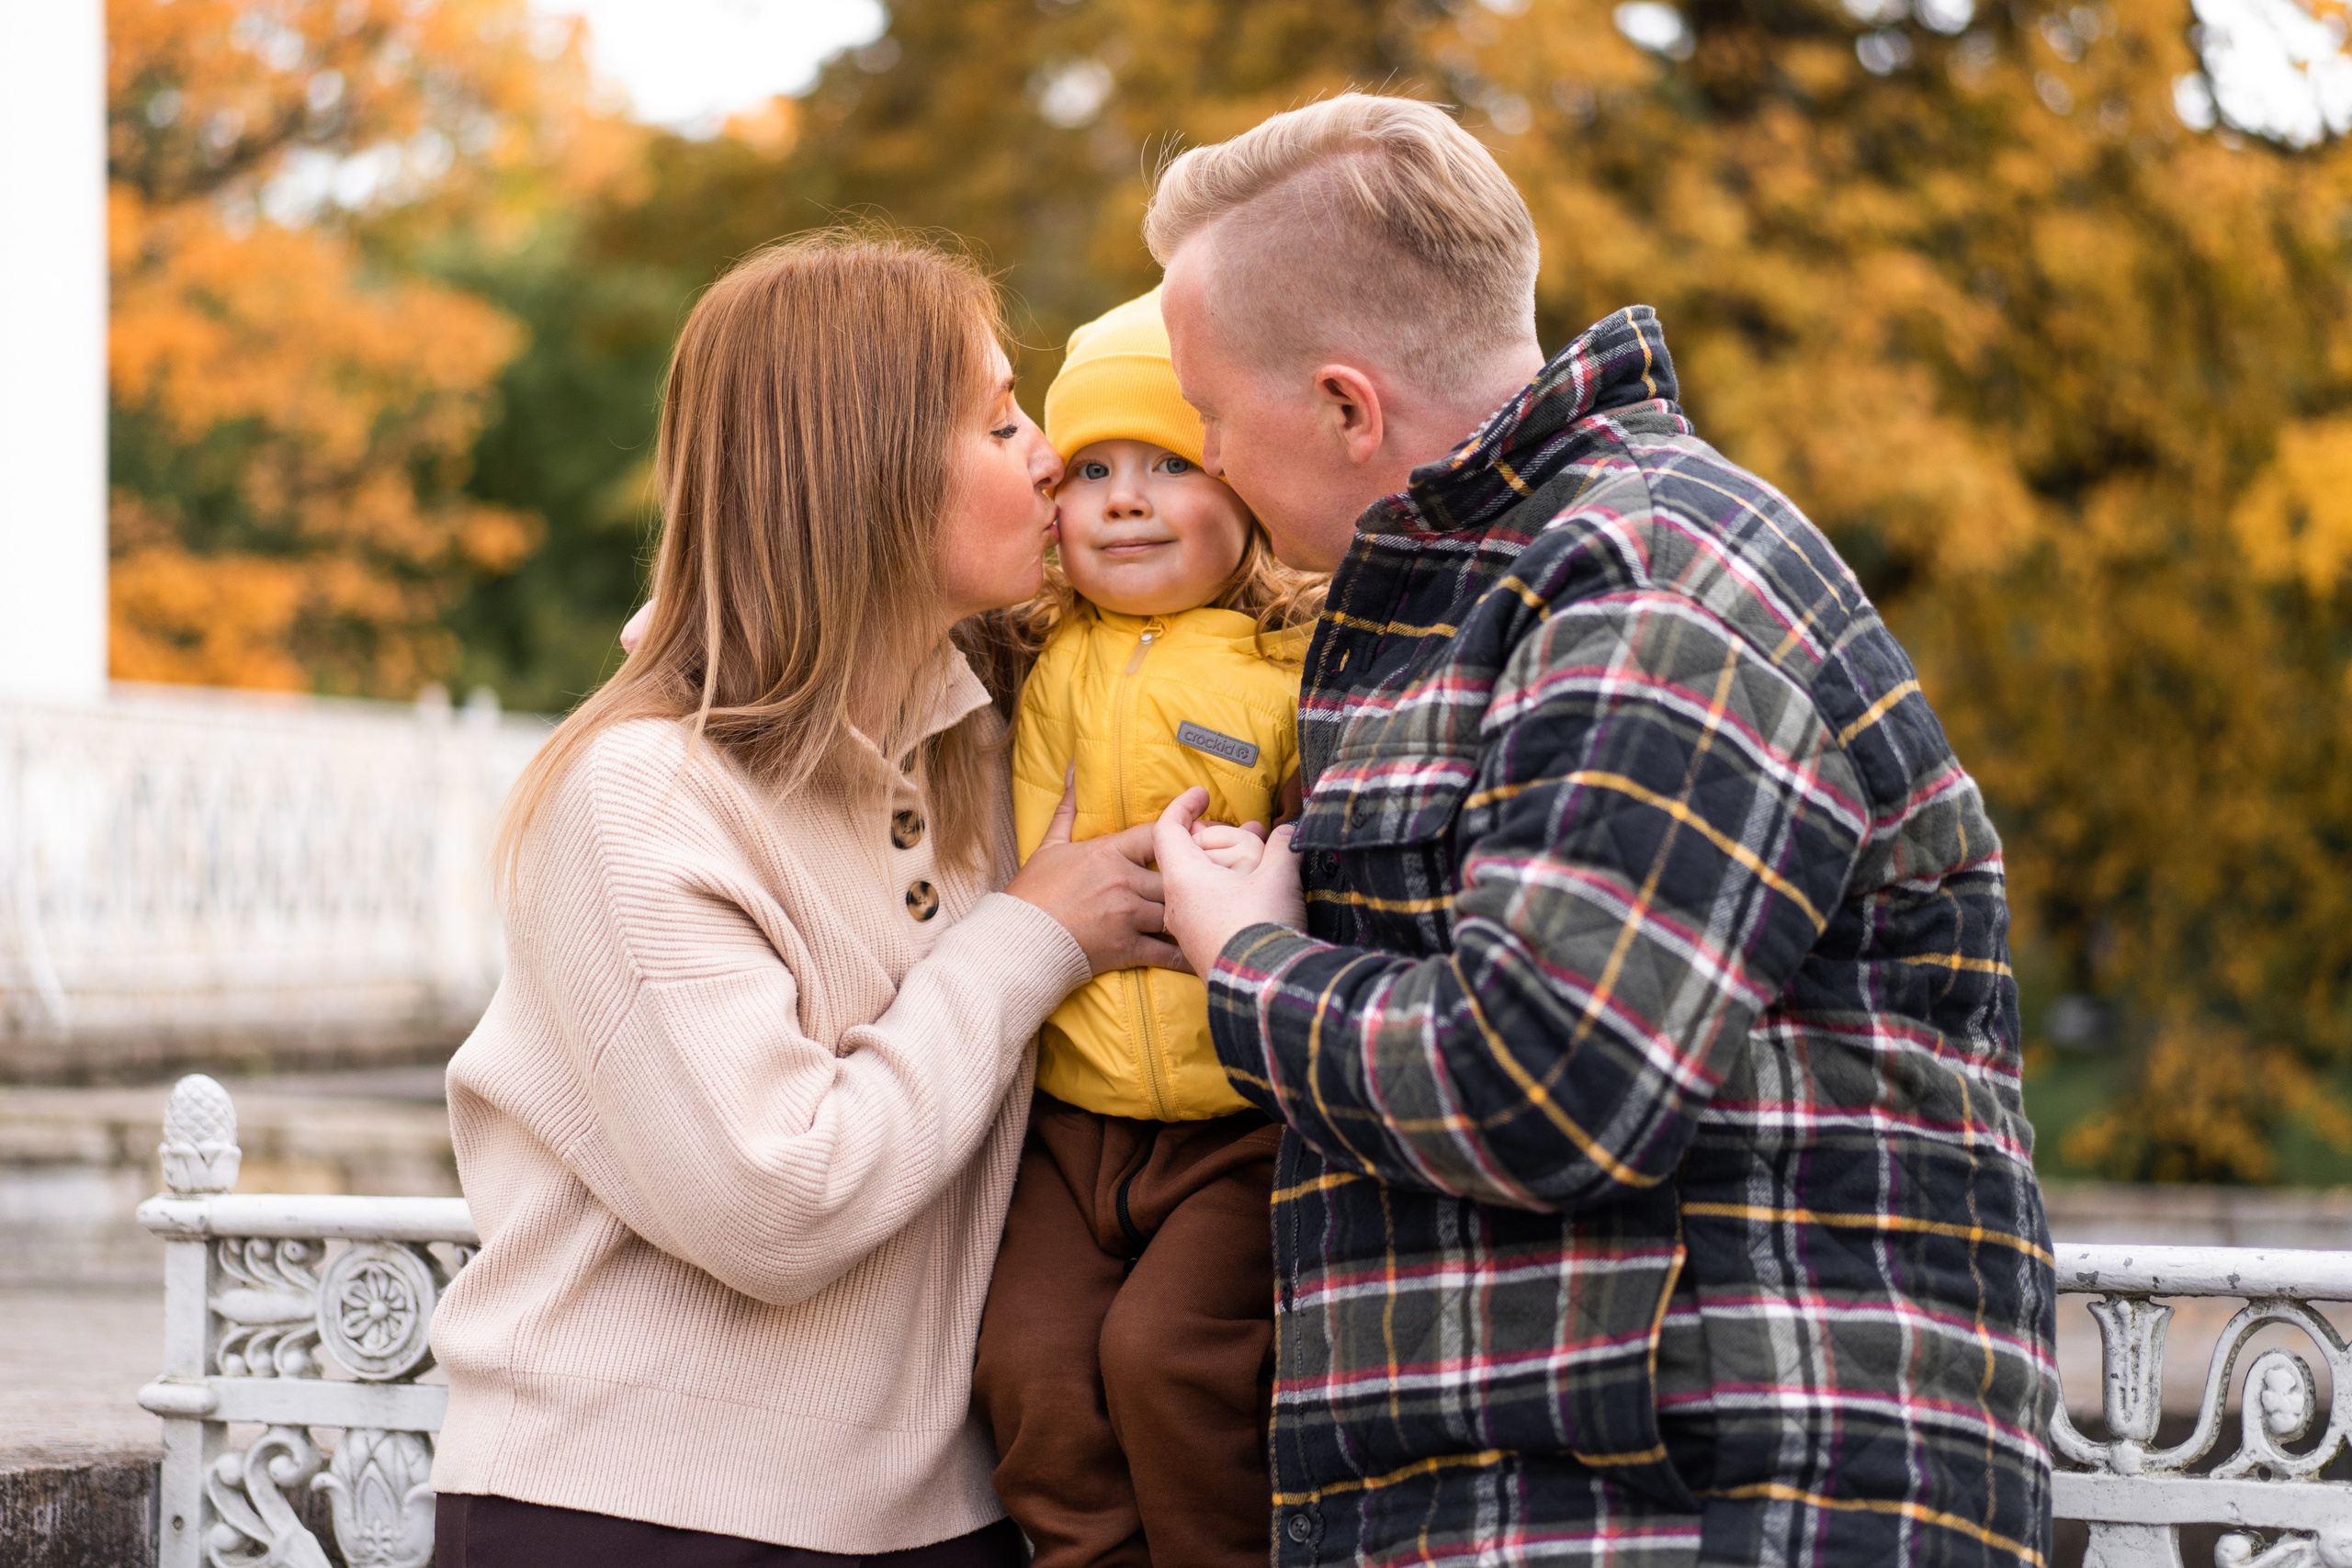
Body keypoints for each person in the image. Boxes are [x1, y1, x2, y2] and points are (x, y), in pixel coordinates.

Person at [1145, 96, 2060, 1566]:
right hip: (1542, 1501)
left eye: (1204, 412)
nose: (1201, 456)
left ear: (1341, 405)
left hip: (1712, 1505)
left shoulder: (1649, 586)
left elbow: (1554, 1078)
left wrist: (1247, 955)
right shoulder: (1493, 588)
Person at [425, 231, 1183, 1567]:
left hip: (946, 1515)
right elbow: (778, 1206)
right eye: (1002, 421)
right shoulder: (645, 795)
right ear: (869, 477)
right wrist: (1033, 940)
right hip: (637, 1515)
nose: (1051, 455)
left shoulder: (996, 742)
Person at [969, 290, 1323, 1568]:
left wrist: (1271, 861)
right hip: (1075, 1121)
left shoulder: (1294, 665)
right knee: (1033, 1372)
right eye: (1094, 470)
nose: (1127, 499)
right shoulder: (1019, 649)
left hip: (1235, 1123)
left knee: (1168, 1358)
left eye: (1171, 464)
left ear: (1240, 492)